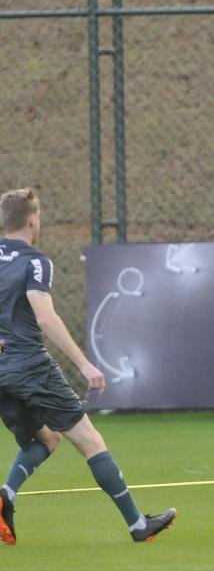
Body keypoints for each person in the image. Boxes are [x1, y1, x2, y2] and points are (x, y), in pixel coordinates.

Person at [0, 187, 175, 545]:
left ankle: (6, 495)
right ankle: (137, 526)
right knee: (91, 441)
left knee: (47, 439)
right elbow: (46, 318)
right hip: (31, 367)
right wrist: (83, 364)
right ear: (33, 220)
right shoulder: (35, 261)